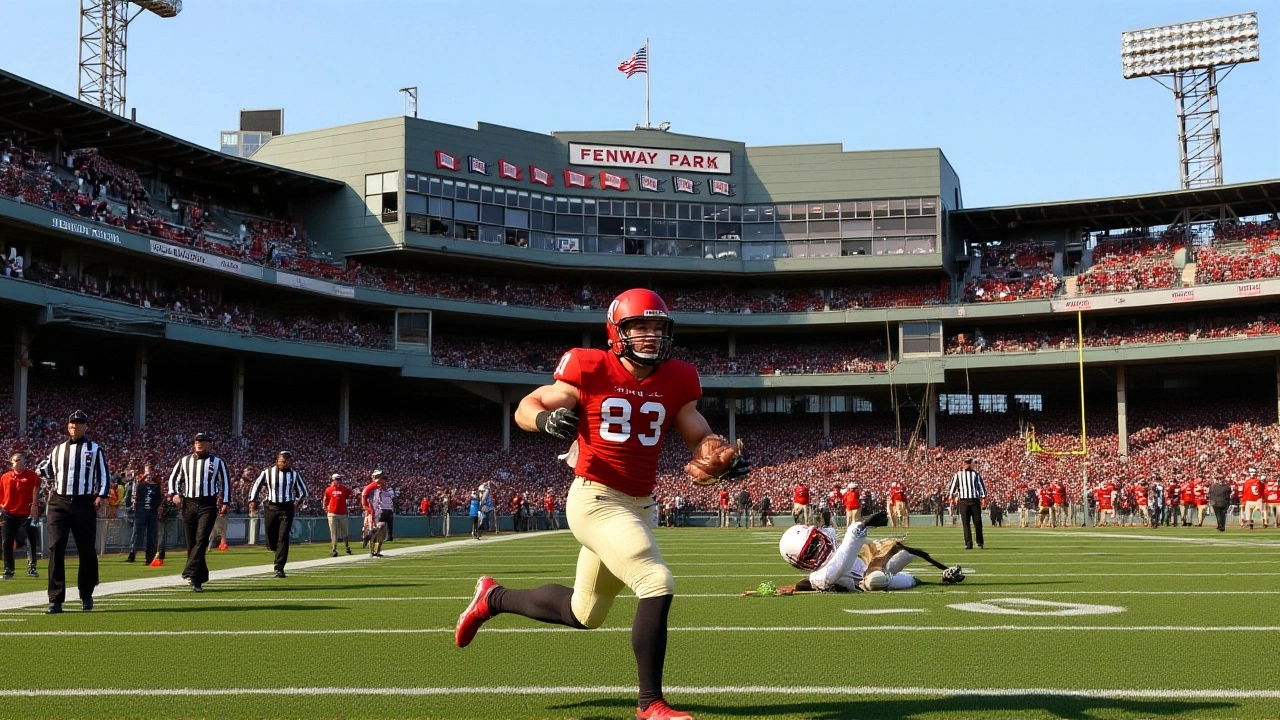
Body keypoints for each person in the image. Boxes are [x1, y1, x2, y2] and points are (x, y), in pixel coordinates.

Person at [454, 288, 747, 720]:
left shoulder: (678, 377)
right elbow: (527, 405)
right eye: (640, 327)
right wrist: (544, 419)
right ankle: (651, 704)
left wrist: (714, 453)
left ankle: (492, 598)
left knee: (583, 613)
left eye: (657, 327)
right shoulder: (588, 365)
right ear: (617, 331)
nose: (650, 336)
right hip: (594, 498)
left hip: (639, 504)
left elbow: (697, 432)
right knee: (655, 579)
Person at [36, 410, 110, 613]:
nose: (73, 427)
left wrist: (101, 496)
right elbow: (46, 469)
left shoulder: (95, 449)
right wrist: (37, 471)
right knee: (55, 547)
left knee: (86, 549)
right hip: (59, 503)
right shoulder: (58, 449)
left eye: (77, 424)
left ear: (85, 427)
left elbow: (104, 475)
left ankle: (86, 593)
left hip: (84, 503)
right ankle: (55, 599)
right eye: (70, 424)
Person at [778, 511, 964, 593]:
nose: (817, 549)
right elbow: (838, 565)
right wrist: (857, 528)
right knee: (874, 580)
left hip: (870, 561)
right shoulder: (819, 577)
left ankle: (942, 569)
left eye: (815, 543)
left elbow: (845, 552)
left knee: (903, 554)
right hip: (868, 579)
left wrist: (860, 529)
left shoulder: (829, 538)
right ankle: (917, 580)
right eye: (810, 552)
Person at [167, 432, 231, 593]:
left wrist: (226, 501)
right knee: (191, 542)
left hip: (207, 504)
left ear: (210, 444)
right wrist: (174, 493)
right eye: (197, 441)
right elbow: (173, 478)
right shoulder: (184, 460)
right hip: (188, 503)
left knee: (201, 539)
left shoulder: (217, 462)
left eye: (203, 441)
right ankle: (199, 577)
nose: (199, 443)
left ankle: (191, 573)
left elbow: (226, 482)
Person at [248, 450, 308, 578]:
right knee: (270, 534)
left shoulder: (294, 475)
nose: (285, 463)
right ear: (277, 461)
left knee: (283, 536)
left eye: (287, 461)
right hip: (271, 506)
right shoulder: (268, 472)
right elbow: (256, 485)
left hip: (287, 508)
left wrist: (297, 502)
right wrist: (253, 500)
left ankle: (279, 567)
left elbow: (303, 491)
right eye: (282, 461)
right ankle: (275, 548)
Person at [0, 451, 41, 580]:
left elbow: (35, 494)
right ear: (11, 462)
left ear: (24, 461)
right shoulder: (5, 477)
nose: (17, 462)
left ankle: (32, 567)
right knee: (6, 541)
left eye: (19, 459)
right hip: (9, 514)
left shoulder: (33, 476)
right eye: (14, 460)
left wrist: (34, 510)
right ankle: (8, 569)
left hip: (27, 514)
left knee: (31, 541)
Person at [125, 463, 162, 564]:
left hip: (152, 512)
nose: (148, 474)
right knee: (137, 533)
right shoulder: (140, 481)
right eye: (147, 471)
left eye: (150, 471)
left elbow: (159, 497)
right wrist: (144, 477)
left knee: (152, 535)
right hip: (141, 511)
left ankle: (149, 557)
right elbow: (135, 487)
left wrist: (158, 508)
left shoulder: (156, 483)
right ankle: (132, 554)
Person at [947, 457, 986, 550]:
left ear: (970, 464)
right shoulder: (958, 475)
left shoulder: (976, 475)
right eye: (964, 463)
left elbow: (981, 486)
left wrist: (983, 497)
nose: (965, 465)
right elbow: (953, 486)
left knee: (977, 522)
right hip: (963, 501)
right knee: (966, 523)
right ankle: (968, 544)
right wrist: (951, 496)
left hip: (974, 500)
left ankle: (979, 542)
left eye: (967, 463)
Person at [323, 474, 353, 557]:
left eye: (339, 479)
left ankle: (347, 547)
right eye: (337, 479)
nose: (339, 481)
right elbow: (325, 500)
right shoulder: (328, 490)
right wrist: (326, 509)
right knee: (333, 533)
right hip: (332, 514)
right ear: (332, 480)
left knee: (345, 533)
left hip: (342, 514)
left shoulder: (344, 489)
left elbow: (350, 494)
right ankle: (334, 549)